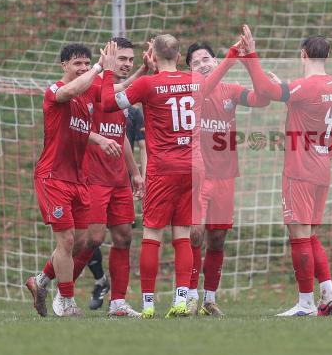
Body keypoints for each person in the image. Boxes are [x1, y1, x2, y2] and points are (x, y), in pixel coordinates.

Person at [99, 34, 241, 318]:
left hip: (163, 169)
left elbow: (106, 104)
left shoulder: (147, 84)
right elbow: (219, 73)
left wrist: (108, 71)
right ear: (178, 57)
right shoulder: (196, 81)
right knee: (183, 235)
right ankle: (181, 299)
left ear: (153, 57)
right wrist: (236, 51)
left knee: (152, 235)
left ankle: (149, 305)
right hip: (193, 168)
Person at [238, 25, 332, 317]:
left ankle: (305, 304)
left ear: (303, 54)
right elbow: (295, 98)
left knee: (299, 236)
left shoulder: (306, 86)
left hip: (300, 169)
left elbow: (267, 92)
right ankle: (329, 295)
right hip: (322, 167)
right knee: (310, 236)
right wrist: (282, 87)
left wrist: (251, 56)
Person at [24, 43, 124, 317]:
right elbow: (71, 90)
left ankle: (41, 280)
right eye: (77, 63)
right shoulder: (55, 91)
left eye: (86, 63)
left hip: (79, 179)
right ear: (64, 66)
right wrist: (98, 68)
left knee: (82, 241)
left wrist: (143, 70)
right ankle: (66, 301)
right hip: (53, 177)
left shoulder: (89, 90)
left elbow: (116, 92)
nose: (82, 67)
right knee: (66, 240)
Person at [53, 37, 145, 318]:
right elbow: (73, 127)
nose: (127, 64)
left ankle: (118, 303)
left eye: (131, 60)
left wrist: (135, 173)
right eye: (122, 59)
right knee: (90, 239)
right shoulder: (87, 88)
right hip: (90, 176)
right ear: (109, 58)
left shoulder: (121, 96)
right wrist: (98, 139)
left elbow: (122, 137)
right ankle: (62, 291)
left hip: (117, 178)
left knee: (124, 237)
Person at [185, 41, 270, 317]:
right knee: (194, 235)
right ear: (189, 70)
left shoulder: (230, 90)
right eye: (196, 62)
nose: (202, 64)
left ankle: (209, 299)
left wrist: (250, 63)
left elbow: (262, 99)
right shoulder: (191, 89)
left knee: (217, 239)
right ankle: (189, 295)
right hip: (197, 175)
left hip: (225, 177)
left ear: (215, 60)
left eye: (206, 58)